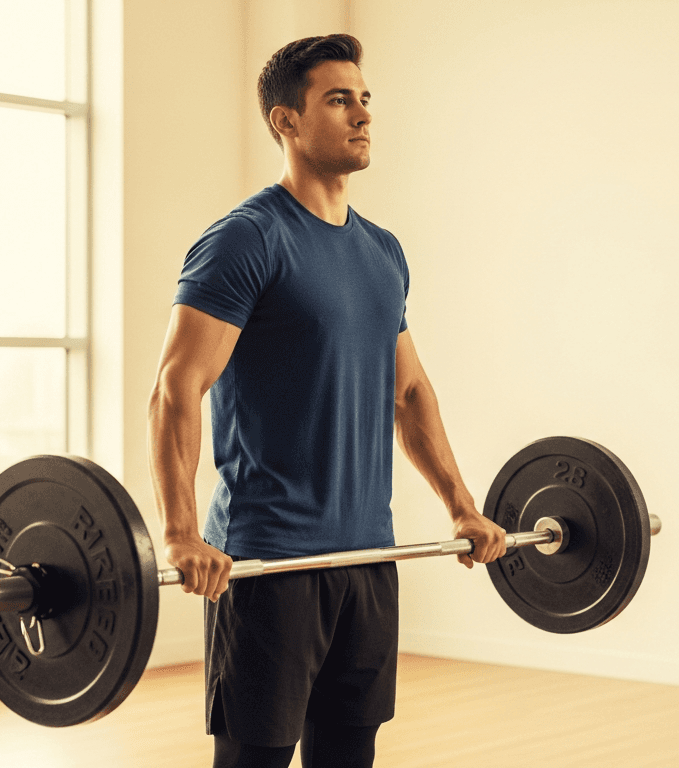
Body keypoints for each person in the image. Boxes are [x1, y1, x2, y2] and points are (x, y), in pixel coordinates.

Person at [146, 34, 508, 768]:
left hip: (368, 558)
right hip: (269, 565)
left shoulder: (382, 252)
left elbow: (407, 391)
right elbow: (176, 386)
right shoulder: (246, 241)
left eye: (365, 98)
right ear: (285, 120)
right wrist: (182, 531)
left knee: (350, 757)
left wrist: (462, 507)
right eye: (338, 99)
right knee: (255, 760)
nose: (362, 114)